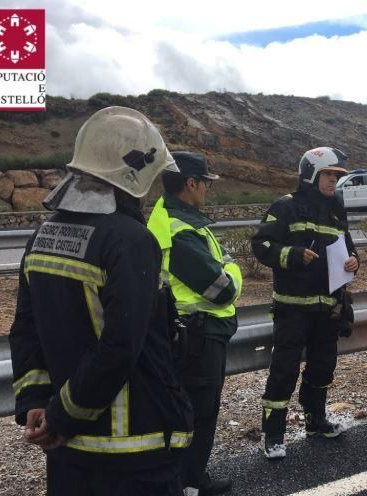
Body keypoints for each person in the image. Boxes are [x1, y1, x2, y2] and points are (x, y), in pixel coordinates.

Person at [8, 106, 194, 495]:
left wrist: (37, 404)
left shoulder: (41, 236)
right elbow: (121, 347)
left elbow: (26, 331)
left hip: (68, 453)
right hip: (135, 451)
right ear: (136, 169)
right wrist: (60, 418)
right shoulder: (130, 240)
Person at [251, 146, 358, 460]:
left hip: (328, 308)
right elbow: (261, 244)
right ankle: (273, 435)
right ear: (311, 173)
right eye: (328, 175)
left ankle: (316, 422)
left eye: (336, 177)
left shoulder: (337, 209)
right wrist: (293, 255)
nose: (332, 182)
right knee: (284, 372)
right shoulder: (286, 207)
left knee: (323, 368)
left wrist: (355, 261)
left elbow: (348, 248)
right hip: (293, 308)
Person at [147, 152, 242, 496]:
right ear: (191, 183)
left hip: (186, 332)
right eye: (205, 184)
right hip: (198, 335)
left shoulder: (170, 217)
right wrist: (232, 270)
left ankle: (184, 477)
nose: (207, 190)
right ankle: (189, 480)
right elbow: (223, 290)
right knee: (199, 412)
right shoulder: (182, 230)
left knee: (188, 410)